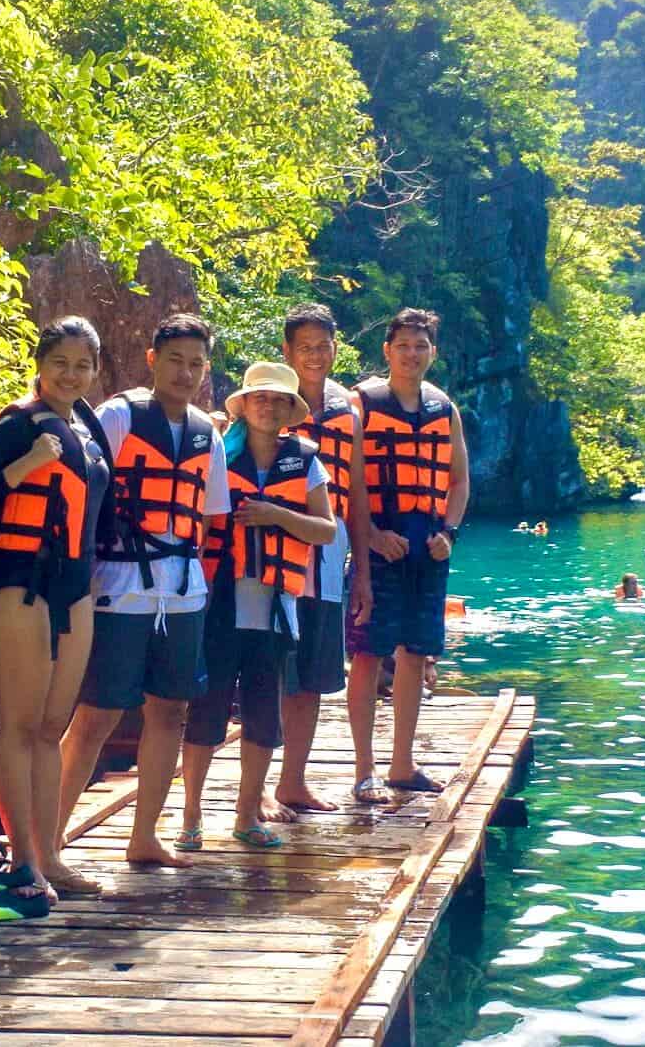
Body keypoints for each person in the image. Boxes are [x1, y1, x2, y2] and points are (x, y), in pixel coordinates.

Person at [55, 313, 228, 869]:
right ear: (153, 360)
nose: (186, 372)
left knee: (172, 710)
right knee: (98, 714)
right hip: (119, 584)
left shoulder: (208, 431)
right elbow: (82, 492)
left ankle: (144, 836)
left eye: (196, 363)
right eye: (175, 360)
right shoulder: (120, 415)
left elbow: (212, 517)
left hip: (182, 591)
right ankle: (48, 837)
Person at [0, 316, 114, 904]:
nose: (70, 375)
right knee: (21, 726)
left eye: (82, 365)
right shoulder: (17, 425)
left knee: (52, 726)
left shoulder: (89, 426)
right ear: (40, 365)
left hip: (74, 588)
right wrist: (26, 465)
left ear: (95, 371)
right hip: (21, 583)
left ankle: (50, 853)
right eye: (60, 363)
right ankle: (24, 863)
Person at [181, 362, 336, 850]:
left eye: (277, 400)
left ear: (291, 410)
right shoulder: (219, 455)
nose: (267, 406)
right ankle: (190, 817)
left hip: (275, 607)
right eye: (258, 397)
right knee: (206, 712)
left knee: (263, 715)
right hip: (220, 602)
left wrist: (276, 515)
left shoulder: (306, 461)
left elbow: (327, 530)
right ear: (245, 405)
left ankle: (246, 815)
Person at [345, 308, 470, 804]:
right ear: (387, 351)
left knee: (416, 654)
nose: (412, 354)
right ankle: (363, 769)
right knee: (368, 654)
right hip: (378, 540)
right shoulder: (364, 403)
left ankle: (403, 764)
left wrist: (450, 533)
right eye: (403, 346)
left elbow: (458, 481)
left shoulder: (444, 409)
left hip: (428, 545)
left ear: (432, 353)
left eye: (421, 346)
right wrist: (371, 534)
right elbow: (346, 480)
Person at [274, 303, 373, 815]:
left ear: (336, 349)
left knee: (313, 674)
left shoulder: (346, 411)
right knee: (270, 672)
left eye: (323, 346)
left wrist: (363, 575)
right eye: (304, 346)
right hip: (273, 559)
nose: (315, 355)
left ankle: (293, 781)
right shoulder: (267, 404)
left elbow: (355, 493)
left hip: (329, 560)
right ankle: (254, 789)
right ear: (287, 351)